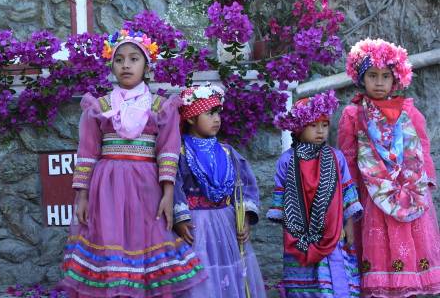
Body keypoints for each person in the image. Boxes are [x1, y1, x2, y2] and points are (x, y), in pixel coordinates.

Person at [61, 29, 205, 297]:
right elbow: (88, 152)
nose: (126, 65)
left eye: (134, 59)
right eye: (119, 60)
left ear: (146, 65)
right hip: (107, 189)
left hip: (146, 189)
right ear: (112, 65)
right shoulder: (99, 106)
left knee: (149, 241)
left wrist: (168, 194)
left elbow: (168, 151)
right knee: (108, 242)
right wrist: (81, 195)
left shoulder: (161, 106)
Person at [338, 38, 440, 297]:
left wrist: (425, 185)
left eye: (386, 76)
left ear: (397, 79)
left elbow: (423, 148)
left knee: (411, 245)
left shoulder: (409, 111)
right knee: (379, 245)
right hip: (371, 196)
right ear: (361, 78)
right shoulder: (353, 114)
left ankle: (410, 287)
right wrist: (348, 197)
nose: (379, 82)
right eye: (372, 76)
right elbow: (348, 157)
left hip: (411, 193)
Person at [173, 83, 266, 298]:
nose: (217, 119)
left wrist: (244, 217)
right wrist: (179, 218)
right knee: (201, 273)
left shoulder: (227, 151)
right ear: (190, 118)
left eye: (218, 113)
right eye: (209, 113)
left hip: (225, 223)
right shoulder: (179, 152)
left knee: (227, 276)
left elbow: (244, 185)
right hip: (195, 226)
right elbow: (174, 184)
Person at [268, 91, 362, 297]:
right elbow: (282, 200)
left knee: (335, 278)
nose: (320, 131)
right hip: (299, 235)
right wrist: (292, 231)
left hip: (333, 231)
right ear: (299, 128)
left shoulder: (336, 158)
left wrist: (349, 225)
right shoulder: (287, 160)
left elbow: (347, 193)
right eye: (313, 125)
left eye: (325, 125)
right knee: (304, 284)